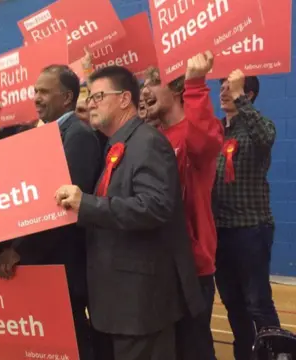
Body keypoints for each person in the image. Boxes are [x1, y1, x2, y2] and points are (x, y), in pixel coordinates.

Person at [55, 65, 203, 360]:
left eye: (98, 97)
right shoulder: (119, 143)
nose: (89, 104)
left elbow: (156, 206)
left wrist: (87, 204)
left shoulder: (147, 142)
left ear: (124, 99)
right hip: (118, 300)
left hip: (140, 302)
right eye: (88, 97)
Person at [0, 64, 104, 359]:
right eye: (35, 91)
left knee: (73, 342)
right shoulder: (42, 134)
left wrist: (20, 251)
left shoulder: (77, 136)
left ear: (67, 98)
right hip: (46, 260)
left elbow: (63, 209)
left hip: (63, 261)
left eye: (43, 91)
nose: (36, 98)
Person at [141, 51, 224, 360]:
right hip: (158, 265)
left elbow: (203, 142)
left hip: (191, 266)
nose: (145, 89)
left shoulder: (196, 131)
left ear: (175, 89)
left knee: (194, 349)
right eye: (144, 83)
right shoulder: (153, 136)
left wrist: (196, 83)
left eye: (153, 82)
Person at [213, 69, 280, 360]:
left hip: (251, 229)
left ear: (248, 94)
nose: (224, 92)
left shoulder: (258, 127)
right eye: (223, 87)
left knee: (258, 304)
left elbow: (266, 135)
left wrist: (242, 101)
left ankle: (276, 354)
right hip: (221, 231)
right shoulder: (215, 130)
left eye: (233, 88)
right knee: (233, 304)